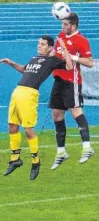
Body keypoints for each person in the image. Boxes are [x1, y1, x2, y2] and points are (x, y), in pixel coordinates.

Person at [0, 35, 73, 180]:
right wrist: (11, 63)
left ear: (50, 47)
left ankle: (35, 161)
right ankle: (15, 159)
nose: (39, 46)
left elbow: (70, 67)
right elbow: (24, 70)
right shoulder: (34, 58)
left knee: (28, 130)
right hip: (18, 91)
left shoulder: (53, 60)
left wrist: (64, 49)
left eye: (43, 44)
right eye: (39, 43)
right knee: (12, 126)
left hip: (29, 94)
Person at [49, 13, 94, 170]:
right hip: (58, 80)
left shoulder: (82, 40)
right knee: (56, 114)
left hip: (72, 81)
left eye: (66, 25)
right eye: (62, 24)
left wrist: (73, 58)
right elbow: (56, 54)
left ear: (73, 26)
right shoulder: (60, 36)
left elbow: (89, 63)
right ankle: (61, 151)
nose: (63, 27)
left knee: (76, 111)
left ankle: (87, 147)